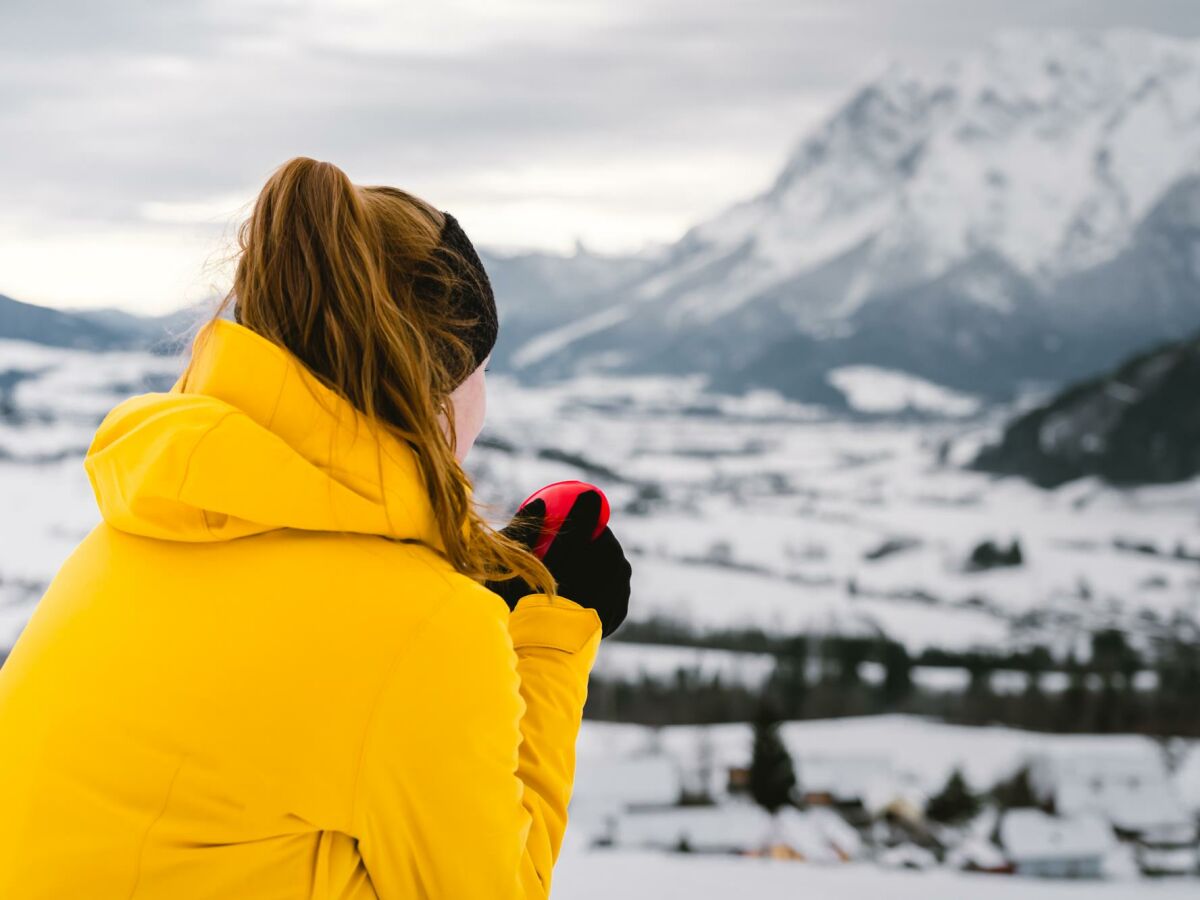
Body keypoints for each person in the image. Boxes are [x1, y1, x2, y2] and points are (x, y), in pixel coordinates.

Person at [0, 157, 632, 898]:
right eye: (481, 368)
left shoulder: (136, 535)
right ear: (436, 385)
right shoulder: (425, 629)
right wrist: (551, 634)